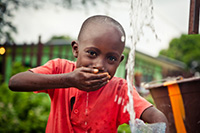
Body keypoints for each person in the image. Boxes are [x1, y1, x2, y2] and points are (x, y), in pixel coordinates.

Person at [9, 15, 168, 133]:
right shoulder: (60, 69)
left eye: (111, 58)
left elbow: (157, 118)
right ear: (76, 49)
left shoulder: (120, 91)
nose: (99, 65)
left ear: (119, 62)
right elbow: (15, 82)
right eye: (92, 53)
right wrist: (69, 80)